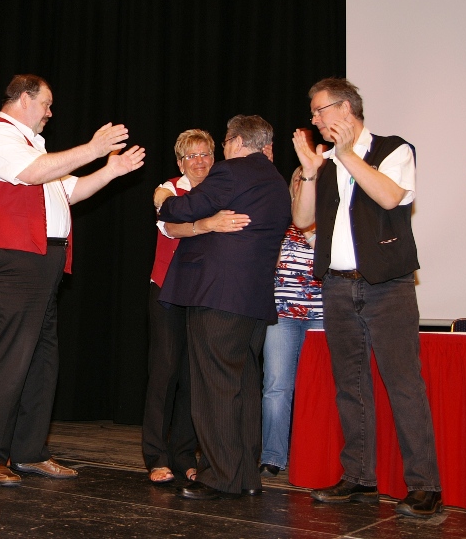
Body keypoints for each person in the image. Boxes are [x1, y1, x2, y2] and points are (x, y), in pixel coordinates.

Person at [0, 74, 145, 486]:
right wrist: (93, 148)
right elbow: (31, 174)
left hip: (40, 263)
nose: (50, 112)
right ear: (24, 99)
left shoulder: (35, 147)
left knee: (41, 361)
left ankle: (29, 451)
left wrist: (111, 169)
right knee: (8, 357)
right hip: (10, 260)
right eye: (46, 103)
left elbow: (70, 190)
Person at [292, 77, 441, 518]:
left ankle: (425, 485)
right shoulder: (324, 161)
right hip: (337, 286)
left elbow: (391, 197)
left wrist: (347, 155)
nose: (315, 120)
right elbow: (302, 219)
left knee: (403, 384)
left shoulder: (394, 149)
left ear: (346, 108)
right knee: (350, 387)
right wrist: (311, 171)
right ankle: (359, 477)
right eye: (313, 113)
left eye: (320, 110)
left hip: (387, 287)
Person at [158, 115, 289, 501]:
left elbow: (182, 209)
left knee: (214, 387)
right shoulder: (277, 181)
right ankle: (246, 476)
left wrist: (163, 198)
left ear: (237, 142)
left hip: (217, 296)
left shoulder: (231, 171)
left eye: (225, 144)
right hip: (253, 300)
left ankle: (219, 476)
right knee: (244, 387)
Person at [142, 129, 250, 484]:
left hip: (205, 293)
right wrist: (208, 225)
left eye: (205, 154)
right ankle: (156, 455)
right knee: (165, 371)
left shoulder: (222, 190)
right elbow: (171, 228)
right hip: (167, 291)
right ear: (180, 163)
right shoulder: (169, 190)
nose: (199, 161)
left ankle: (185, 454)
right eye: (191, 156)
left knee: (195, 375)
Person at [258, 166, 323, 478]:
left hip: (323, 316)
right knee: (276, 385)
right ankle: (273, 456)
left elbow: (334, 260)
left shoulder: (332, 219)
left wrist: (308, 228)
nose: (302, 183)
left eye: (309, 180)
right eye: (298, 178)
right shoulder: (277, 219)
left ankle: (314, 455)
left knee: (318, 389)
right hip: (281, 314)